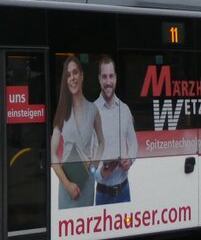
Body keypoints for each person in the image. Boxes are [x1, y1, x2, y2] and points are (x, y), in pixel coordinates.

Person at [51, 56, 103, 209]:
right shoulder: (61, 111)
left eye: (75, 73)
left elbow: (102, 141)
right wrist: (67, 184)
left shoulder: (93, 110)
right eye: (68, 75)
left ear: (82, 75)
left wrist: (94, 165)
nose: (72, 78)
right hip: (67, 185)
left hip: (86, 184)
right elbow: (52, 154)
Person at [93, 55, 137, 205]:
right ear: (99, 79)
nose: (108, 82)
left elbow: (134, 143)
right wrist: (100, 174)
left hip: (124, 191)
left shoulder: (125, 110)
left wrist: (130, 160)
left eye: (111, 76)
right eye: (104, 77)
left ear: (116, 78)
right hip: (102, 194)